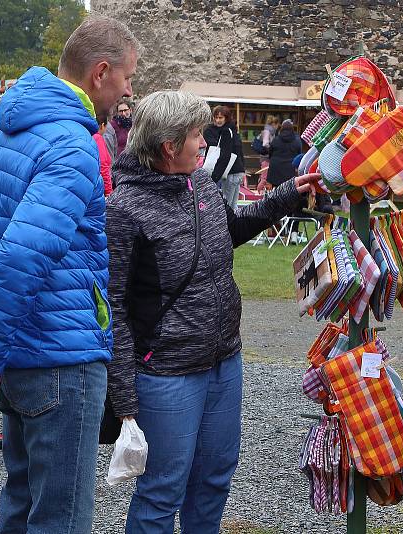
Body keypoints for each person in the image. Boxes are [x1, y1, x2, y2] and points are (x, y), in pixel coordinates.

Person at [0, 15, 139, 533]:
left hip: (27, 360)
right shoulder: (71, 146)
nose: (130, 89)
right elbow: (19, 258)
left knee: (22, 506)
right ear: (101, 72)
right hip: (59, 360)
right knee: (60, 519)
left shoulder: (16, 133)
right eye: (129, 77)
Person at [106, 90, 319, 534]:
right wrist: (125, 401)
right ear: (169, 146)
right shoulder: (124, 210)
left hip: (225, 361)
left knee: (215, 477)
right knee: (162, 489)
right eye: (197, 134)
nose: (204, 142)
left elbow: (231, 228)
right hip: (167, 374)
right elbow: (115, 309)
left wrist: (285, 196)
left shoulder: (200, 183)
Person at [203, 105, 246, 210]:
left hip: (230, 172)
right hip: (237, 171)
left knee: (227, 207)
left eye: (220, 117)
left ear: (226, 118)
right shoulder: (233, 131)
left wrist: (215, 177)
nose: (218, 120)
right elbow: (239, 152)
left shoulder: (226, 132)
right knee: (233, 206)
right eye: (216, 117)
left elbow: (225, 155)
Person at [260, 118, 302, 192]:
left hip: (276, 170)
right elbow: (299, 154)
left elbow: (270, 153)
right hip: (290, 169)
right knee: (289, 191)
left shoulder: (276, 140)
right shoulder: (297, 140)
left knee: (276, 192)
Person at [93, 116, 114, 195]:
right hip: (100, 189)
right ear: (102, 125)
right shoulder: (98, 138)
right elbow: (103, 166)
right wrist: (109, 191)